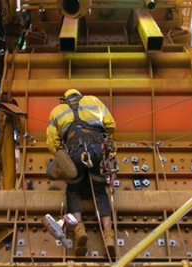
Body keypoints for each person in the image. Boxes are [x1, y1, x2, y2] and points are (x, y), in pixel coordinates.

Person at [46, 89, 116, 257]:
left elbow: (52, 143)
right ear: (79, 95)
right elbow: (111, 125)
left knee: (73, 191)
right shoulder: (93, 100)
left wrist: (61, 153)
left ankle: (80, 231)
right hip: (97, 150)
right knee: (100, 191)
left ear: (64, 99)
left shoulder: (57, 111)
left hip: (75, 152)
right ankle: (109, 237)